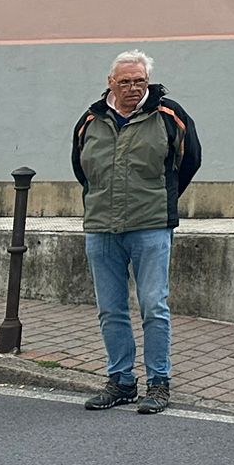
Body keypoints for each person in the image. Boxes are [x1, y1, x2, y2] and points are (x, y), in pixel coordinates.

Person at [70, 49, 202, 414]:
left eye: (139, 81)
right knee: (110, 309)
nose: (132, 88)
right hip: (102, 226)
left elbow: (188, 162)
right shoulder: (90, 120)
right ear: (110, 83)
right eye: (125, 81)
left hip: (151, 225)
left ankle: (158, 384)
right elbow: (82, 170)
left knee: (154, 306)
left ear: (148, 82)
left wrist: (160, 199)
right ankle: (121, 381)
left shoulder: (169, 116)